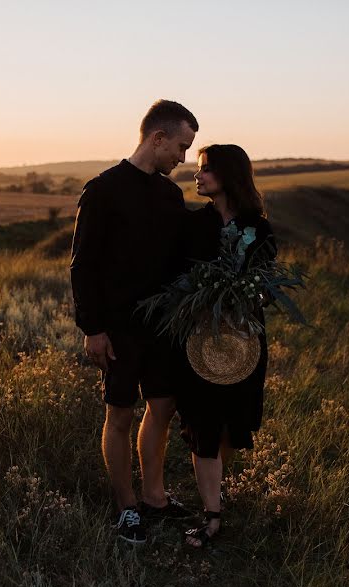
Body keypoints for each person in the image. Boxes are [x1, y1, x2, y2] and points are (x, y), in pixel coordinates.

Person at [70, 99, 198, 543]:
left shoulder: (170, 195)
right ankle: (127, 509)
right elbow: (82, 265)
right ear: (157, 138)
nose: (182, 158)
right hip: (118, 326)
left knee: (163, 407)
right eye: (180, 147)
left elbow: (186, 253)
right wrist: (93, 328)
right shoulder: (103, 190)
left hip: (163, 326)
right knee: (121, 414)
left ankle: (155, 497)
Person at [174, 144, 276, 548]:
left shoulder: (260, 228)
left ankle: (215, 487)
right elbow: (177, 278)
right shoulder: (192, 226)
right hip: (199, 339)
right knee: (203, 425)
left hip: (245, 338)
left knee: (233, 427)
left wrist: (248, 294)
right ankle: (212, 514)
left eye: (205, 170)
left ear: (229, 175)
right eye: (197, 170)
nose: (197, 176)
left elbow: (267, 283)